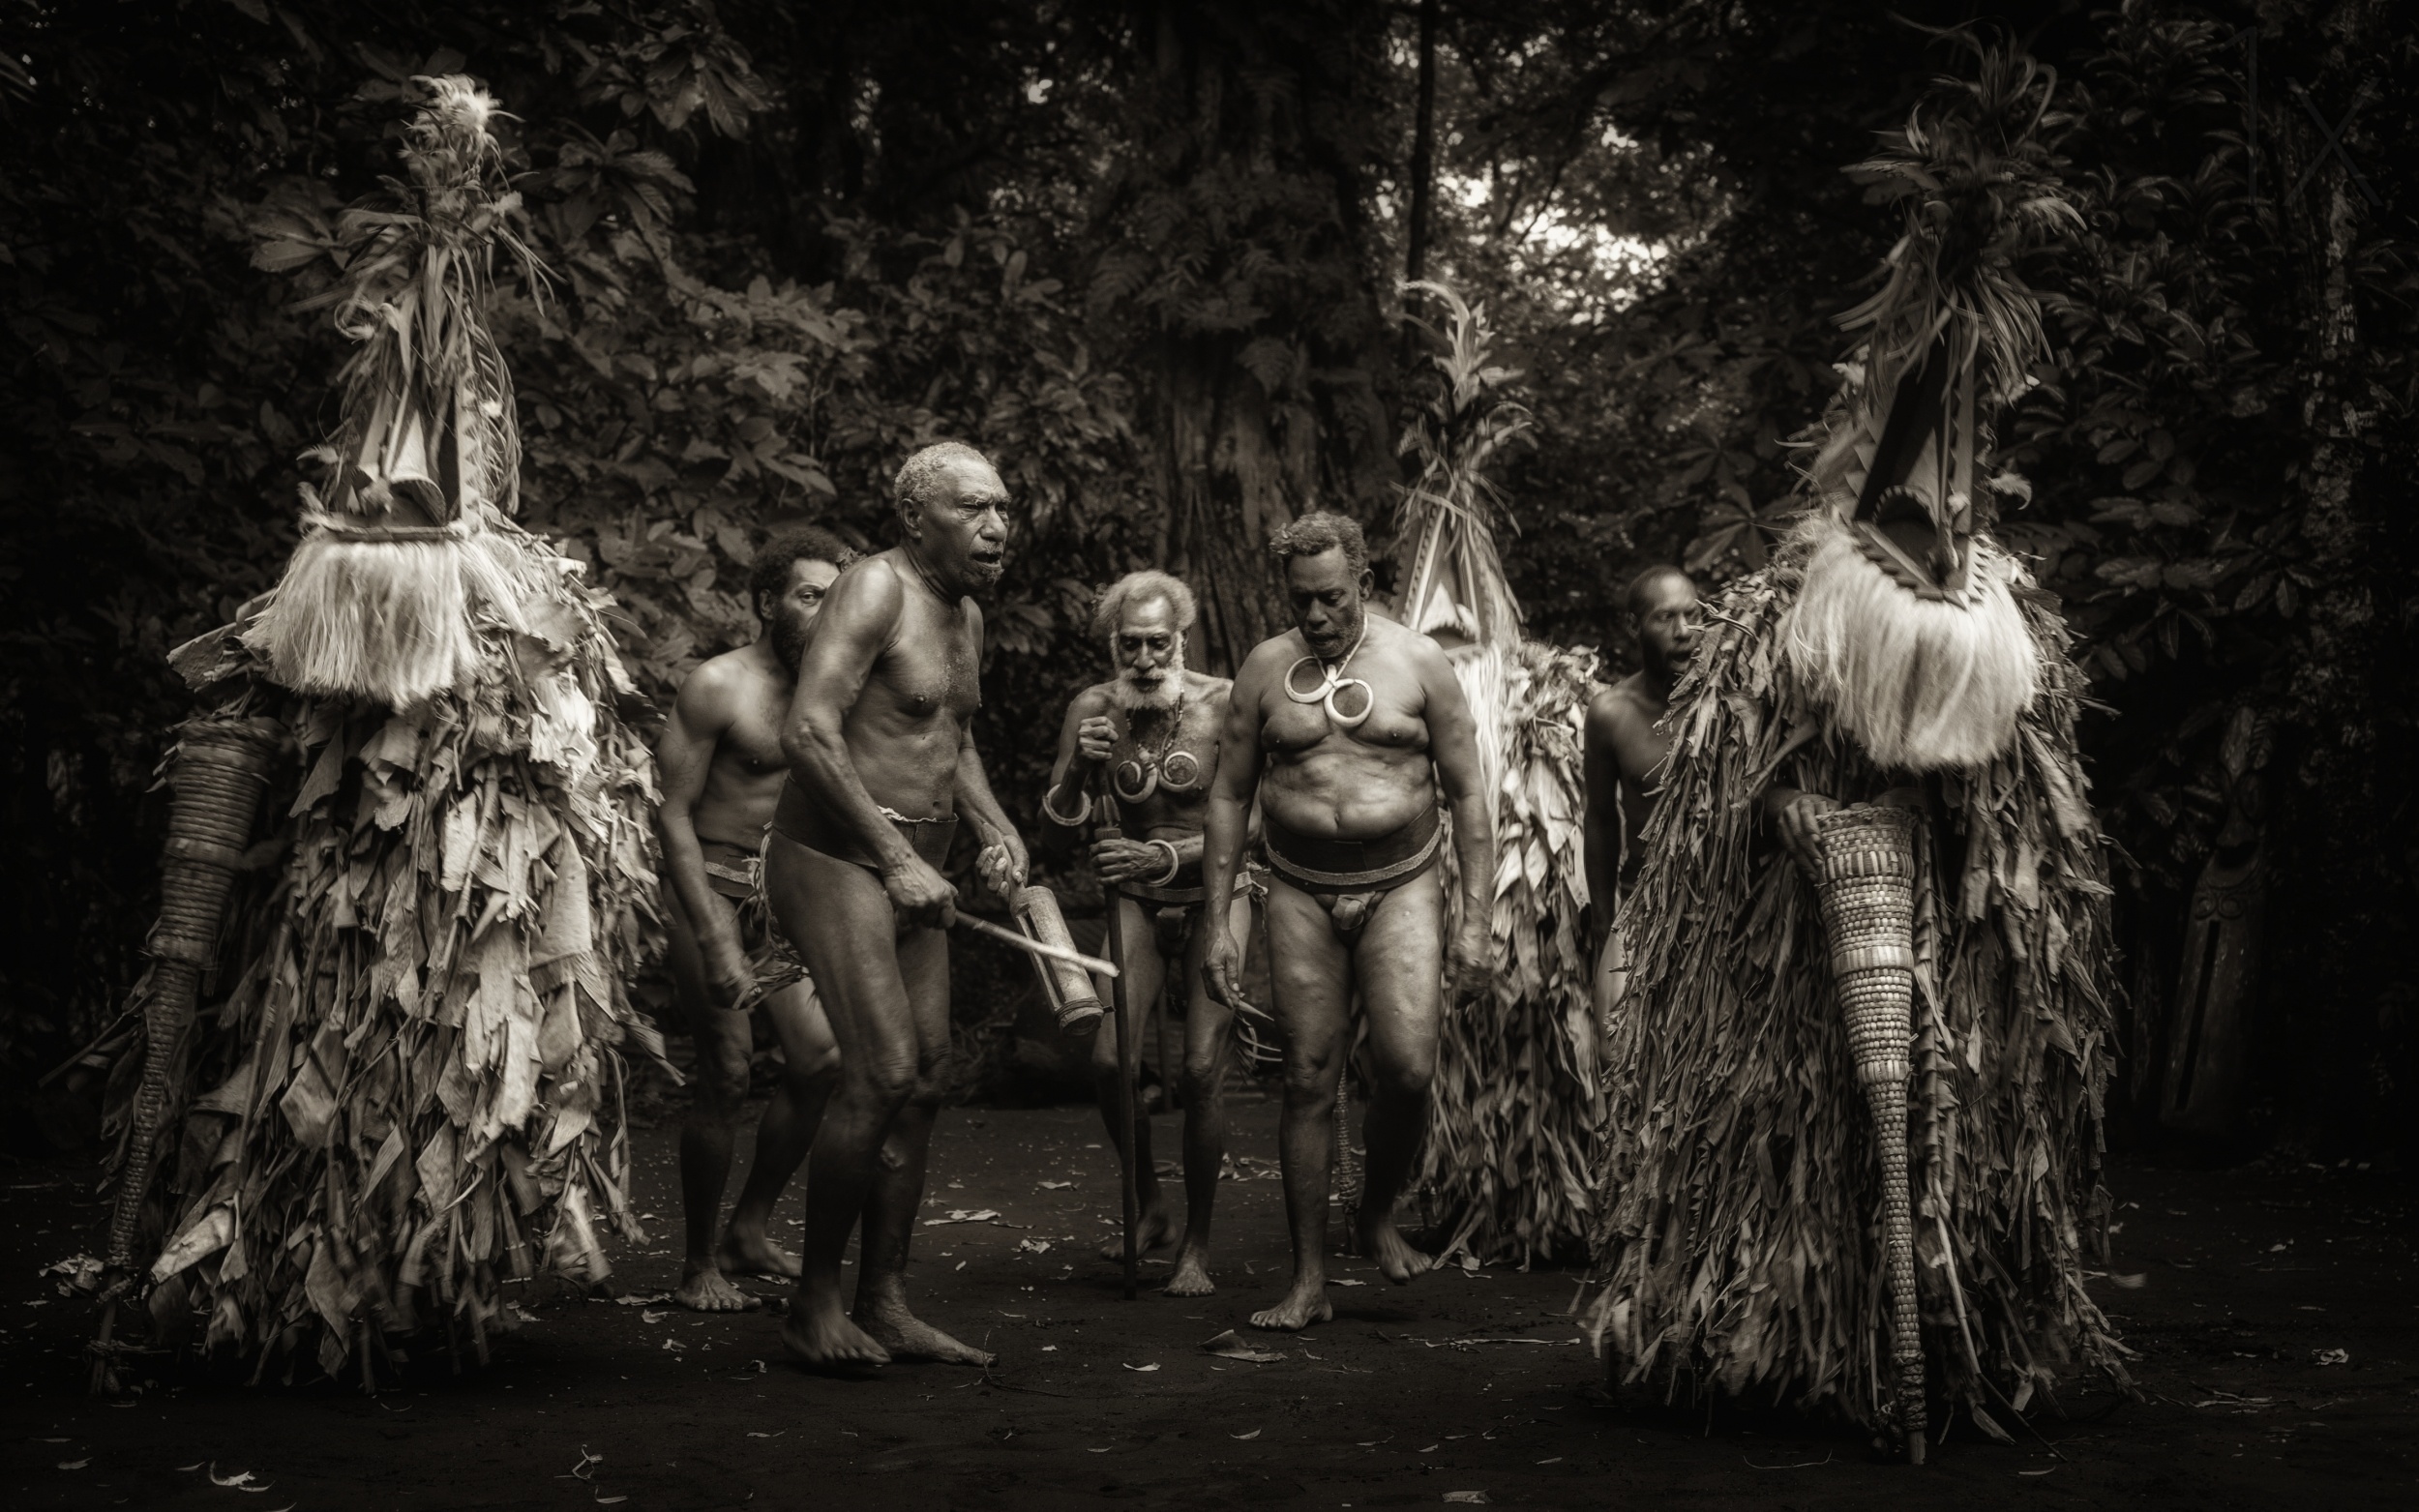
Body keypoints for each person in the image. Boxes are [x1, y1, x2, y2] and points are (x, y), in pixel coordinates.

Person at [1582, 55, 2126, 1459]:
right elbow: (1712, 798)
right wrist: (1795, 818)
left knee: (1951, 1121)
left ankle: (1951, 1339)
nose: (1936, 510)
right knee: (1822, 1129)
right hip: (1795, 931)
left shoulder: (1999, 610)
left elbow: (2037, 804)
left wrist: (1987, 861)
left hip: (1959, 913)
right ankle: (1803, 1347)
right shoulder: (1784, 614)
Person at [763, 442, 1029, 1370]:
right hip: (835, 855)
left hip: (919, 867)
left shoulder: (967, 614)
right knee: (878, 1072)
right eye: (973, 508)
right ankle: (813, 1303)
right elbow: (807, 730)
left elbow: (951, 737)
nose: (996, 527)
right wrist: (894, 859)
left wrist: (995, 825)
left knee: (924, 1079)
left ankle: (884, 1301)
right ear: (917, 518)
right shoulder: (875, 588)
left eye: (1002, 508)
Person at [1200, 512, 1493, 1332]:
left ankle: (1374, 1211)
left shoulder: (1420, 662)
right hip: (1299, 885)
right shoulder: (1265, 668)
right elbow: (1228, 794)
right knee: (1308, 1077)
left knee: (1408, 1069)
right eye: (1301, 601)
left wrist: (1475, 922)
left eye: (1331, 597)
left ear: (1363, 582)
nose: (1317, 615)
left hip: (1402, 882)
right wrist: (1220, 922)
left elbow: (1469, 793)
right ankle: (1307, 1280)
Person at [656, 526, 856, 1312]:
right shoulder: (719, 685)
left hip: (787, 898)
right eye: (810, 595)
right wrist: (713, 935)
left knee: (820, 1060)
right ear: (769, 601)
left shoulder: (840, 691)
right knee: (729, 1070)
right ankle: (698, 1263)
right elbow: (672, 813)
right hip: (710, 888)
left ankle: (749, 1228)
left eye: (835, 598)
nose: (825, 610)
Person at [1042, 571, 1256, 1297]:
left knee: (1199, 1070)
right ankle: (1150, 1207)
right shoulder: (1092, 709)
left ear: (1181, 639)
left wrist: (1166, 855)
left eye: (1157, 643)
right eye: (1130, 644)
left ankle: (1197, 1243)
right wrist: (1079, 768)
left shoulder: (1226, 701)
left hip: (1216, 895)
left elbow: (1258, 819)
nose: (1143, 659)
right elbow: (1056, 830)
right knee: (1109, 1062)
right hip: (1134, 900)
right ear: (1113, 642)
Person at [1581, 565, 1700, 1027]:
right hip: (1644, 900)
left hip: (1722, 899)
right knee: (1613, 1039)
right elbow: (1600, 818)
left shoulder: (1730, 700)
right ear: (1634, 626)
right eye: (1666, 618)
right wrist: (1604, 922)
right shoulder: (1611, 714)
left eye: (1692, 615)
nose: (1684, 631)